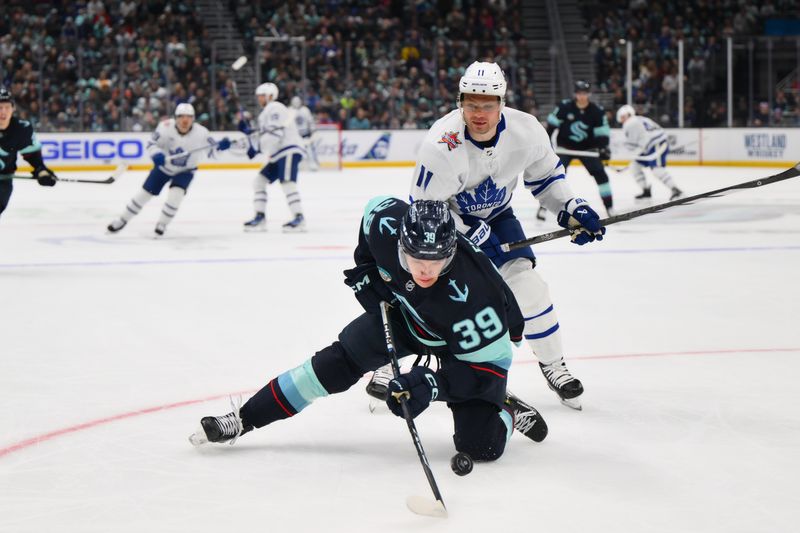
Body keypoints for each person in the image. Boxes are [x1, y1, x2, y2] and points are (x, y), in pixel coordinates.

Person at [190, 198, 548, 461]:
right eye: (415, 260)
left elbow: (486, 369)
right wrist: (366, 271)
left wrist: (434, 384)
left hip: (472, 351)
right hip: (407, 318)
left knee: (481, 447)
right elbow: (369, 219)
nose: (424, 271)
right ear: (401, 244)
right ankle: (243, 418)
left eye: (436, 261)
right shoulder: (386, 223)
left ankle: (503, 408)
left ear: (451, 252)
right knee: (334, 364)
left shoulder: (476, 301)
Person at [367, 62, 606, 411]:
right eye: (472, 103)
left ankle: (553, 365)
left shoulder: (526, 130)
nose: (479, 113)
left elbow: (546, 178)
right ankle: (386, 363)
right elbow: (423, 208)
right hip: (440, 229)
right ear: (461, 101)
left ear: (502, 102)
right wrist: (467, 233)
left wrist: (571, 207)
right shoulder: (441, 143)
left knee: (530, 289)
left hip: (497, 217)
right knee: (419, 293)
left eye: (488, 104)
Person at [106, 103, 231, 236]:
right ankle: (122, 219)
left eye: (188, 117)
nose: (185, 120)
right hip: (163, 168)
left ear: (193, 118)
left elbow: (213, 152)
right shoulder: (165, 127)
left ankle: (162, 224)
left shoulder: (202, 133)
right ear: (175, 118)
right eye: (181, 116)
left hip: (186, 171)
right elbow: (152, 144)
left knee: (175, 196)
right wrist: (156, 154)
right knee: (144, 195)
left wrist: (221, 147)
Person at [241, 83, 307, 232]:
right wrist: (250, 135)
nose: (259, 99)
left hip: (288, 150)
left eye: (261, 95)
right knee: (259, 182)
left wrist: (257, 148)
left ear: (270, 95)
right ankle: (260, 217)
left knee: (287, 182)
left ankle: (299, 217)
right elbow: (266, 134)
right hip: (278, 154)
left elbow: (275, 135)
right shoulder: (266, 112)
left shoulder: (275, 107)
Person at [546, 80, 614, 217]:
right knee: (554, 176)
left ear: (589, 94)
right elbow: (551, 127)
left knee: (601, 175)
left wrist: (603, 148)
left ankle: (609, 207)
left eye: (584, 93)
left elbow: (602, 133)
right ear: (575, 94)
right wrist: (546, 144)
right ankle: (544, 207)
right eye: (579, 93)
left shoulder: (597, 111)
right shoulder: (564, 107)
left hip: (587, 149)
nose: (582, 96)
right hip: (565, 148)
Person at [0, 86, 57, 219]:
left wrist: (41, 171)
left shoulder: (21, 130)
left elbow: (32, 156)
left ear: (13, 108)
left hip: (2, 183)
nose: (3, 111)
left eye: (7, 107)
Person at [616, 105, 683, 200]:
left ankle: (675, 190)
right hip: (652, 145)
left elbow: (632, 145)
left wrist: (631, 154)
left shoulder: (629, 124)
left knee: (656, 169)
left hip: (655, 144)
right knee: (634, 166)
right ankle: (646, 190)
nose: (622, 120)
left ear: (628, 115)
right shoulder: (640, 118)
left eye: (623, 117)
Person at [290, 95, 319, 171]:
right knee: (294, 151)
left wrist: (313, 130)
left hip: (305, 134)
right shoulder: (289, 110)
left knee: (309, 150)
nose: (296, 103)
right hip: (294, 135)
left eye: (297, 102)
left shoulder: (305, 110)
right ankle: (295, 165)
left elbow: (310, 121)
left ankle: (313, 164)